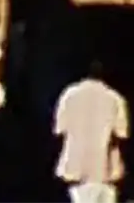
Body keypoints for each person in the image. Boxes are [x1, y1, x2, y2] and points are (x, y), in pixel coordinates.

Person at [53, 58, 129, 203]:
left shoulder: (69, 95)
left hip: (76, 169)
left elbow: (59, 130)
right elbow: (122, 133)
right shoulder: (114, 98)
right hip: (104, 170)